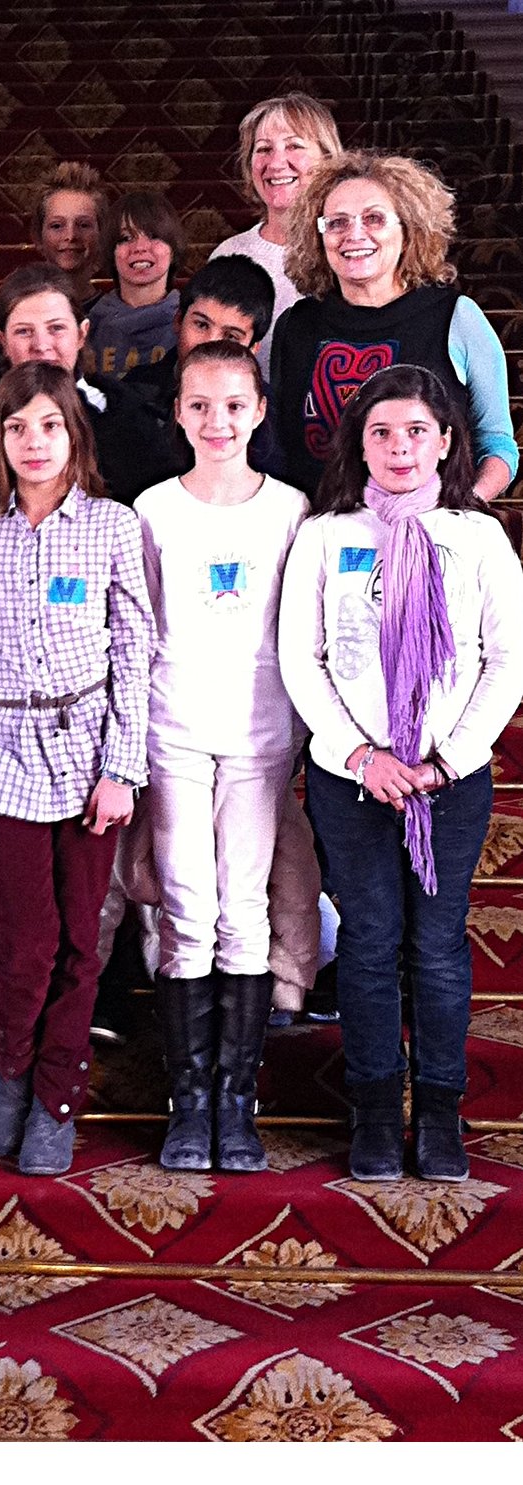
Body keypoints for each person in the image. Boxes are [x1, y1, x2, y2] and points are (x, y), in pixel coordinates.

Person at [279, 364, 523, 1183]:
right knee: (374, 943)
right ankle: (379, 1110)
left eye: (417, 431)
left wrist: (446, 759)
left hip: (450, 781)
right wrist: (362, 754)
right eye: (381, 432)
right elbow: (301, 661)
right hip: (353, 780)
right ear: (360, 444)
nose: (400, 447)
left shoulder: (478, 537)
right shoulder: (325, 535)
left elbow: (506, 663)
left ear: (447, 442)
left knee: (441, 946)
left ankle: (443, 1112)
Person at [0, 361, 154, 1175]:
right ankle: (12, 1063)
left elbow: (136, 651)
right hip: (2, 745)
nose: (33, 443)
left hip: (89, 747)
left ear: (74, 434)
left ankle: (55, 1096)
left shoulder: (112, 525)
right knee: (26, 939)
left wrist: (122, 767)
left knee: (84, 937)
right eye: (16, 429)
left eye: (48, 425)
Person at [134, 342, 307, 1173]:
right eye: (200, 405)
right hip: (173, 728)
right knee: (186, 905)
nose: (218, 422)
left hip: (261, 734)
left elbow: (300, 634)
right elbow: (138, 629)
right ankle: (188, 1096)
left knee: (243, 905)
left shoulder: (291, 510)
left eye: (234, 405)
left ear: (260, 409)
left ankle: (236, 1099)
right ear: (177, 412)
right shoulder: (154, 508)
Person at [271, 151, 519, 503]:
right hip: (326, 539)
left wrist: (460, 514)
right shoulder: (296, 326)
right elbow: (281, 449)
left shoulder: (457, 317)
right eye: (337, 222)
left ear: (408, 229)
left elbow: (496, 444)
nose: (354, 234)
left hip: (434, 532)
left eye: (374, 218)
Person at [0, 264, 169, 506]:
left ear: (81, 334)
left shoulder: (124, 413)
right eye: (24, 331)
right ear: (3, 342)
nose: (41, 345)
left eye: (56, 328)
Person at [209, 93, 342, 380]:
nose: (276, 163)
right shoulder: (229, 254)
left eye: (294, 146)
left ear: (328, 159)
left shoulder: (348, 249)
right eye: (263, 149)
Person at [125, 254, 285, 481]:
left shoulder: (265, 413)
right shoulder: (136, 391)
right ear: (179, 320)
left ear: (253, 348)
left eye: (231, 336)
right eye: (201, 325)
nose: (210, 343)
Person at [0, 161, 107, 367]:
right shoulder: (9, 308)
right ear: (38, 237)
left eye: (83, 225)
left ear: (102, 234)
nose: (70, 236)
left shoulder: (113, 311)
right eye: (57, 225)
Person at [84, 191, 186, 379]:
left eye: (154, 236)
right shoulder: (91, 326)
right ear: (112, 252)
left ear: (173, 249)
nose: (140, 247)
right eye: (126, 238)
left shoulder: (189, 321)